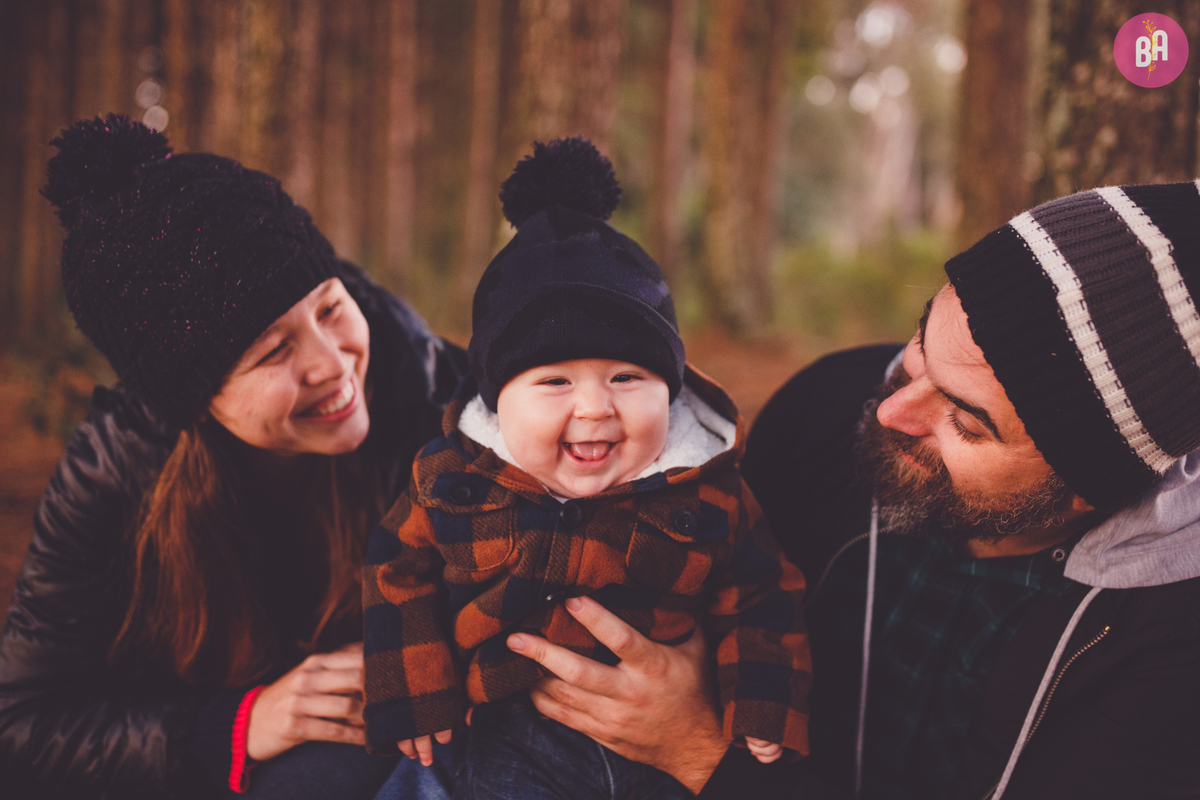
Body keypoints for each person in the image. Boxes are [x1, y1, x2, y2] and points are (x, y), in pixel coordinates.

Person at [502, 180, 1200, 800]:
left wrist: (697, 750)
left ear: (1087, 487)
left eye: (964, 421)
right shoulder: (826, 409)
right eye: (922, 344)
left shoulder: (1172, 650)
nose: (891, 411)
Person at [0, 115, 467, 800]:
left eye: (330, 307)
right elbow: (25, 726)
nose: (332, 364)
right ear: (193, 395)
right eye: (273, 351)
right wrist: (235, 727)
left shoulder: (427, 393)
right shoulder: (119, 476)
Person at [360, 137, 810, 799]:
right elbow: (396, 570)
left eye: (628, 376)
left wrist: (763, 707)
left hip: (662, 746)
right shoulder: (453, 478)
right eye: (554, 382)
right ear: (496, 398)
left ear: (673, 388)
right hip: (502, 731)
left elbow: (764, 593)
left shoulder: (708, 487)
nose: (596, 409)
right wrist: (416, 696)